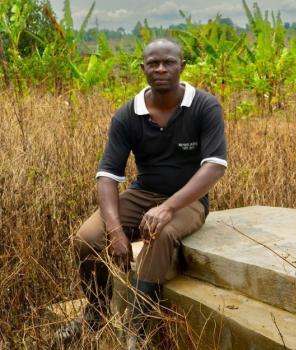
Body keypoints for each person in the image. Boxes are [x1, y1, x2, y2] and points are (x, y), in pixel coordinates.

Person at [56, 38, 227, 348]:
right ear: (143, 69)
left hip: (187, 200)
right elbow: (107, 176)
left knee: (160, 235)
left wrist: (169, 208)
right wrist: (116, 231)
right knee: (87, 238)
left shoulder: (204, 106)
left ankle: (137, 327)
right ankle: (96, 310)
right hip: (143, 192)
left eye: (168, 63)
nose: (161, 69)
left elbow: (214, 166)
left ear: (182, 67)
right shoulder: (127, 115)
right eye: (153, 64)